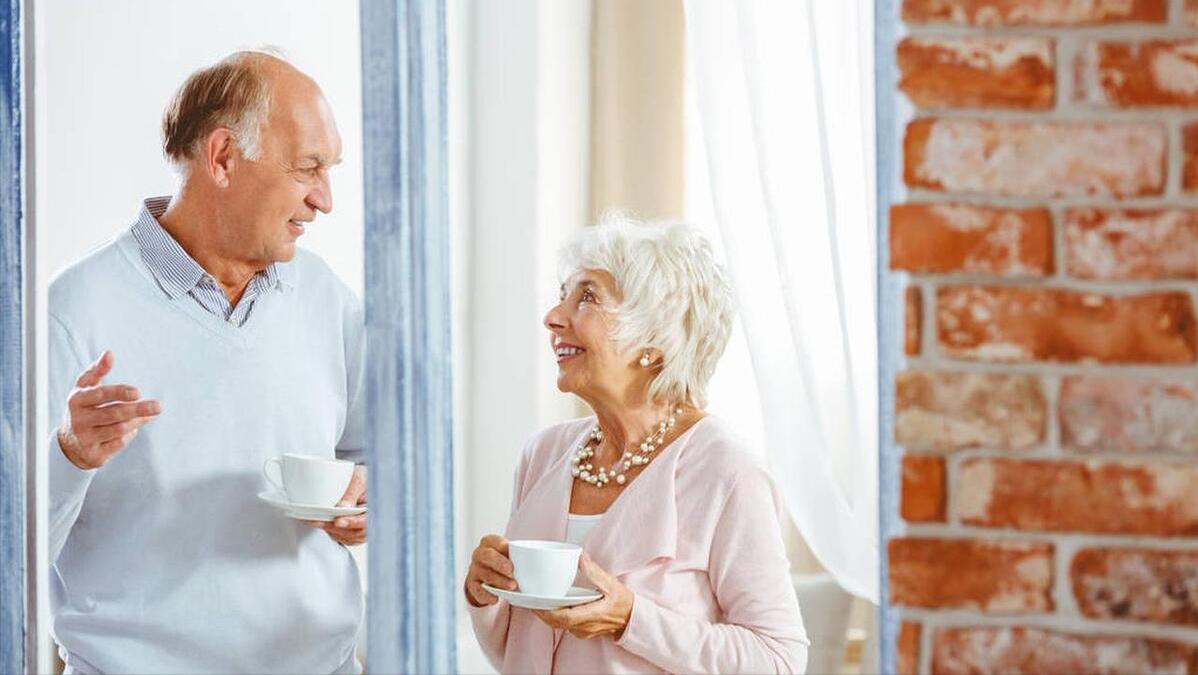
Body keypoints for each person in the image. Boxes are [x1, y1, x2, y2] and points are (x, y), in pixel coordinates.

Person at [48, 51, 366, 673]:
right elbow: (14, 550)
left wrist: (362, 501)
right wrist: (71, 454)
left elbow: (372, 457)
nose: (324, 198)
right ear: (222, 157)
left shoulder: (326, 297)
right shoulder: (71, 310)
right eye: (309, 168)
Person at [464, 215, 809, 673]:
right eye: (562, 296)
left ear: (653, 340)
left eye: (586, 297)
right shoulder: (542, 454)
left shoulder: (727, 471)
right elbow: (520, 650)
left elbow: (779, 658)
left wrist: (631, 618)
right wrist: (484, 594)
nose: (553, 317)